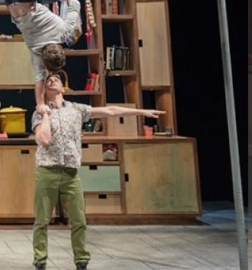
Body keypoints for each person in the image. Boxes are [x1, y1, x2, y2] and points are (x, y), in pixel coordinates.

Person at [31, 72, 164, 270]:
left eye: (56, 79)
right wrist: (44, 113)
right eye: (48, 80)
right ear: (44, 89)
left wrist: (141, 112)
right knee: (42, 219)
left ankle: (81, 260)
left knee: (79, 219)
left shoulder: (76, 109)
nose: (51, 80)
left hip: (70, 173)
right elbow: (44, 138)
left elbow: (109, 110)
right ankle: (40, 260)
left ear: (63, 87)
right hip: (47, 171)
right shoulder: (38, 113)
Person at [6, 0, 82, 109]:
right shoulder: (36, 53)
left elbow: (75, 5)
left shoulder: (63, 32)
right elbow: (39, 80)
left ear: (61, 50)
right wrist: (40, 104)